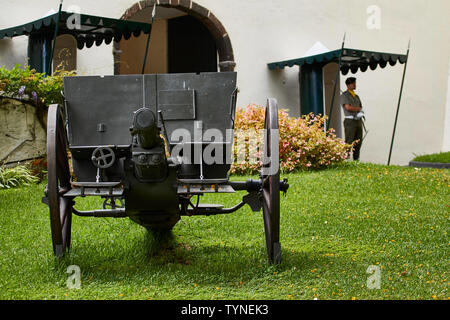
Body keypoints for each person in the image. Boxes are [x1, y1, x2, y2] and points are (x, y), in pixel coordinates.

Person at [340, 77, 365, 161]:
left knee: (358, 141)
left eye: (355, 83)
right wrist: (358, 109)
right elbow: (348, 107)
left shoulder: (356, 96)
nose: (354, 85)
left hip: (358, 120)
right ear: (348, 85)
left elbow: (360, 106)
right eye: (353, 83)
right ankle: (346, 159)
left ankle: (356, 159)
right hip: (350, 121)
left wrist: (359, 111)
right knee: (349, 141)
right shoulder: (344, 95)